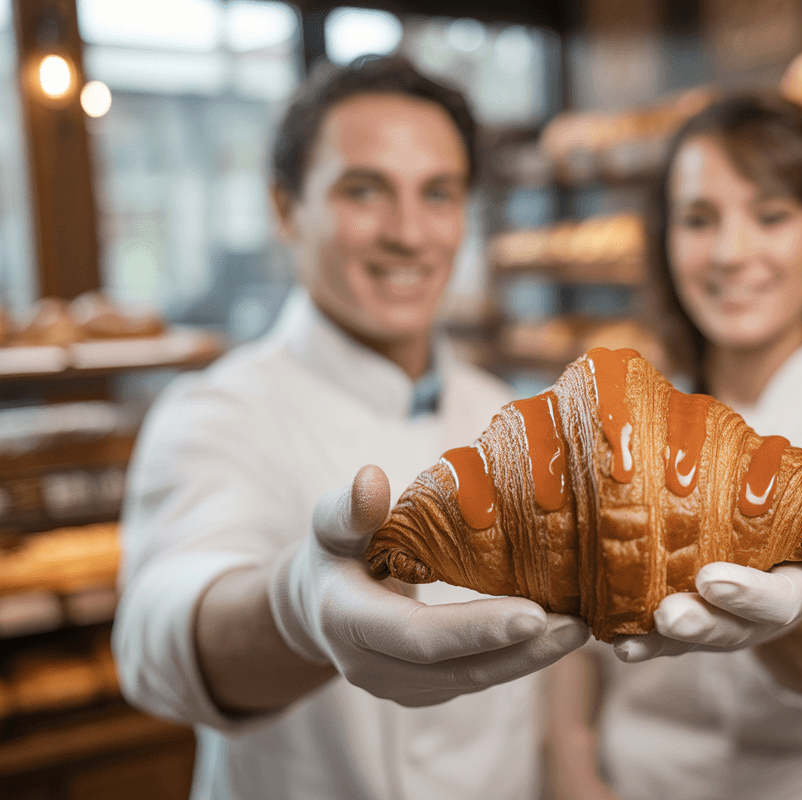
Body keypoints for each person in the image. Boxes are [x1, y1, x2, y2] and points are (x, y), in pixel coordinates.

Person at [112, 56, 593, 800]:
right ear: (285, 209)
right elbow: (158, 639)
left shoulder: (515, 420)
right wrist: (296, 607)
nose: (408, 233)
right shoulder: (215, 412)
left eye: (439, 194)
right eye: (364, 191)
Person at [544, 94, 802, 800]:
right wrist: (572, 764)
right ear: (666, 244)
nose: (733, 254)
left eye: (772, 216)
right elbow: (568, 626)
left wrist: (786, 604)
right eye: (699, 220)